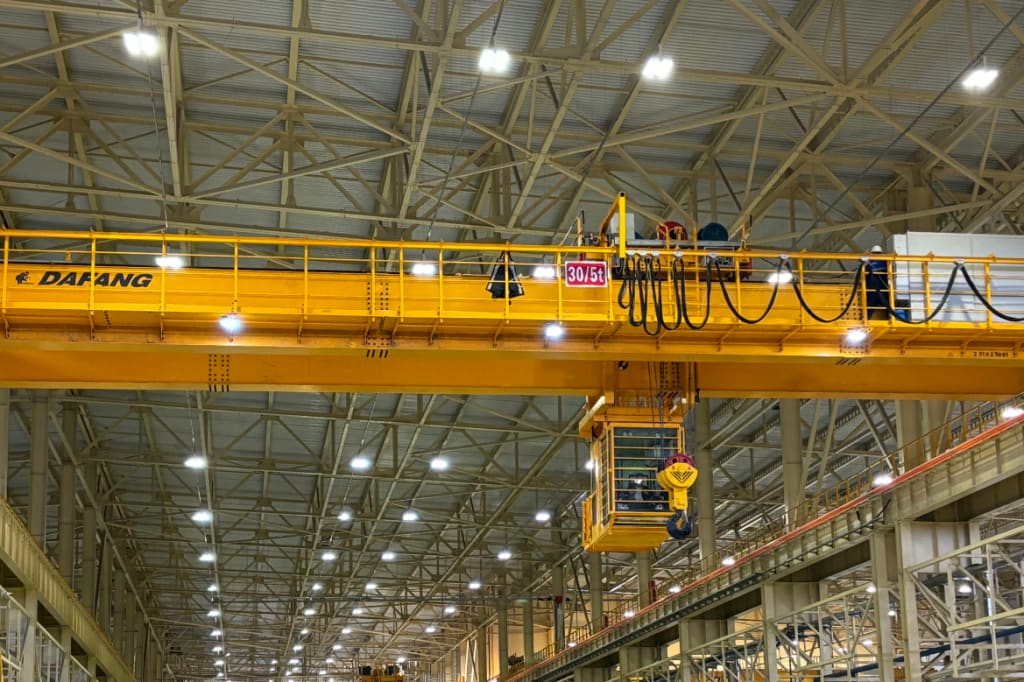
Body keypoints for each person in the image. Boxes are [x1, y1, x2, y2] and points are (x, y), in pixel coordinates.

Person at [866, 245, 890, 320]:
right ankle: (891, 317)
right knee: (888, 307)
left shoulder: (869, 265)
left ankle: (867, 319)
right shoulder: (886, 263)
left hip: (874, 290)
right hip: (882, 290)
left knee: (869, 308)